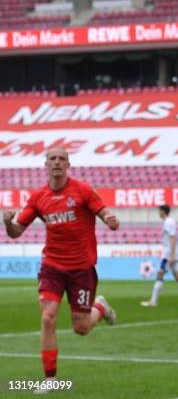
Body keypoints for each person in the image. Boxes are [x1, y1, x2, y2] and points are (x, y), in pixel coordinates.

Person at [2, 146, 119, 393]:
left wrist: (110, 219)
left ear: (68, 164)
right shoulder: (38, 198)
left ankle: (100, 306)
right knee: (48, 316)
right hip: (52, 266)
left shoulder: (83, 191)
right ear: (45, 164)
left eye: (61, 159)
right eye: (52, 158)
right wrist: (6, 222)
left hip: (82, 269)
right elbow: (16, 232)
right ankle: (50, 378)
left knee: (81, 328)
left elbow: (104, 212)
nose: (57, 162)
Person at [140, 204, 178, 308]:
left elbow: (173, 237)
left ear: (163, 211)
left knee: (159, 274)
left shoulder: (168, 222)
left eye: (159, 211)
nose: (158, 213)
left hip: (168, 254)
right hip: (172, 252)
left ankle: (153, 301)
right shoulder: (169, 222)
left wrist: (171, 255)